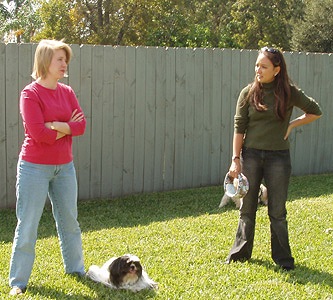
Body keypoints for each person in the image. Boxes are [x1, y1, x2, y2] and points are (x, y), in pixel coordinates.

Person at [225, 47, 322, 271]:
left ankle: (283, 260)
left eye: (264, 66)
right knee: (246, 209)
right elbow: (239, 128)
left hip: (279, 158)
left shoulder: (289, 92)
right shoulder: (248, 93)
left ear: (277, 70)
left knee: (277, 212)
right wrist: (235, 158)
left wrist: (292, 124)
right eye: (257, 65)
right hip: (250, 156)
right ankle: (240, 255)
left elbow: (315, 111)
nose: (258, 70)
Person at [9, 40, 86, 296]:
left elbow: (81, 126)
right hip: (34, 167)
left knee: (70, 222)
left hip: (65, 167)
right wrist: (66, 127)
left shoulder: (68, 92)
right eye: (59, 60)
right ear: (45, 62)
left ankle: (76, 269)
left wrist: (55, 124)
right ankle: (18, 282)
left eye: (66, 60)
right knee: (28, 224)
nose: (65, 64)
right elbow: (38, 134)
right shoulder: (30, 94)